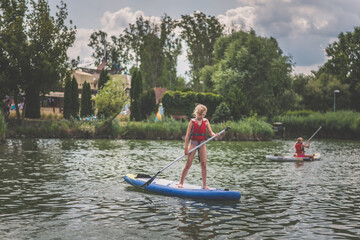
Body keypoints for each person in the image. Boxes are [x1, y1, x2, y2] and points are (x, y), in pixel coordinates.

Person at [178, 104, 218, 190]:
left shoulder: (206, 121)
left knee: (203, 164)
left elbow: (211, 133)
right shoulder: (192, 122)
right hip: (193, 143)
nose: (202, 116)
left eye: (203, 114)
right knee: (188, 164)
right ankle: (181, 182)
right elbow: (187, 136)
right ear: (196, 113)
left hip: (202, 144)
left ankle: (204, 185)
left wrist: (215, 135)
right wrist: (186, 148)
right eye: (200, 114)